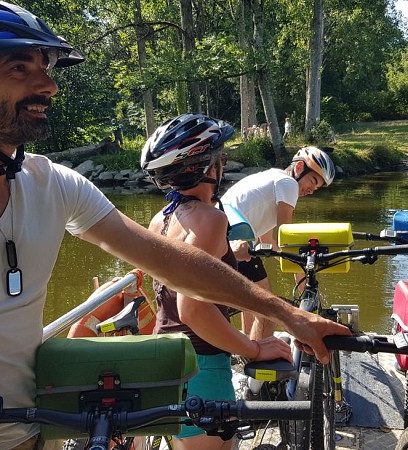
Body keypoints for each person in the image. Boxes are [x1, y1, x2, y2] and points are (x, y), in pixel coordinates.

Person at [0, 2, 349, 449]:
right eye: (19, 68)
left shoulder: (54, 184)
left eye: (45, 69)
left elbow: (172, 262)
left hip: (35, 426)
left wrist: (291, 317)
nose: (47, 84)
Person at [141, 114, 291, 450]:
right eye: (220, 158)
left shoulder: (161, 218)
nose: (222, 165)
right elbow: (192, 307)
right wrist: (254, 348)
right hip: (202, 367)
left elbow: (181, 292)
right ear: (206, 167)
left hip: (171, 359)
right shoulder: (210, 219)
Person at [221, 146, 336, 341]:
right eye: (313, 181)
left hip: (223, 238)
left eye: (317, 187)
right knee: (268, 308)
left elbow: (271, 244)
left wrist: (295, 268)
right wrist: (303, 282)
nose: (312, 190)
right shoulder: (288, 184)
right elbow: (288, 238)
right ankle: (261, 356)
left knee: (250, 300)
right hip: (233, 242)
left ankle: (249, 347)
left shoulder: (272, 179)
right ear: (299, 167)